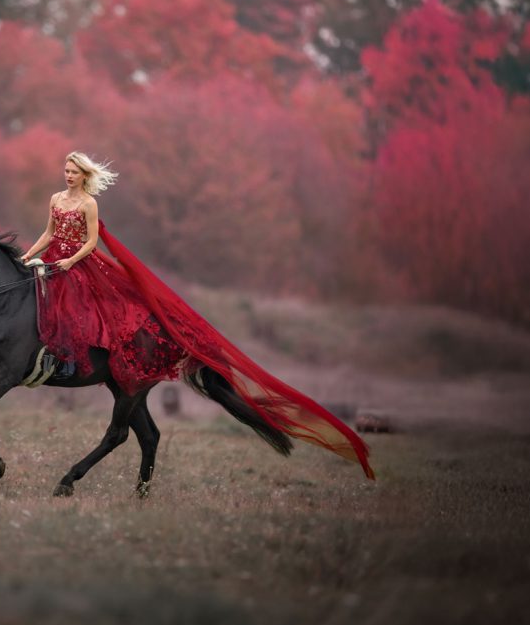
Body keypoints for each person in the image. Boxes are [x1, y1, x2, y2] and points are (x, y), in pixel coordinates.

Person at [20, 151, 374, 478]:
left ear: (85, 175)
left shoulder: (88, 203)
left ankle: (69, 361)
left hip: (79, 265)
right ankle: (47, 357)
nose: (68, 175)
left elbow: (91, 242)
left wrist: (70, 260)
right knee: (42, 305)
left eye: (74, 171)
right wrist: (26, 256)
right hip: (53, 260)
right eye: (66, 170)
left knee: (83, 313)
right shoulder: (56, 199)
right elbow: (49, 233)